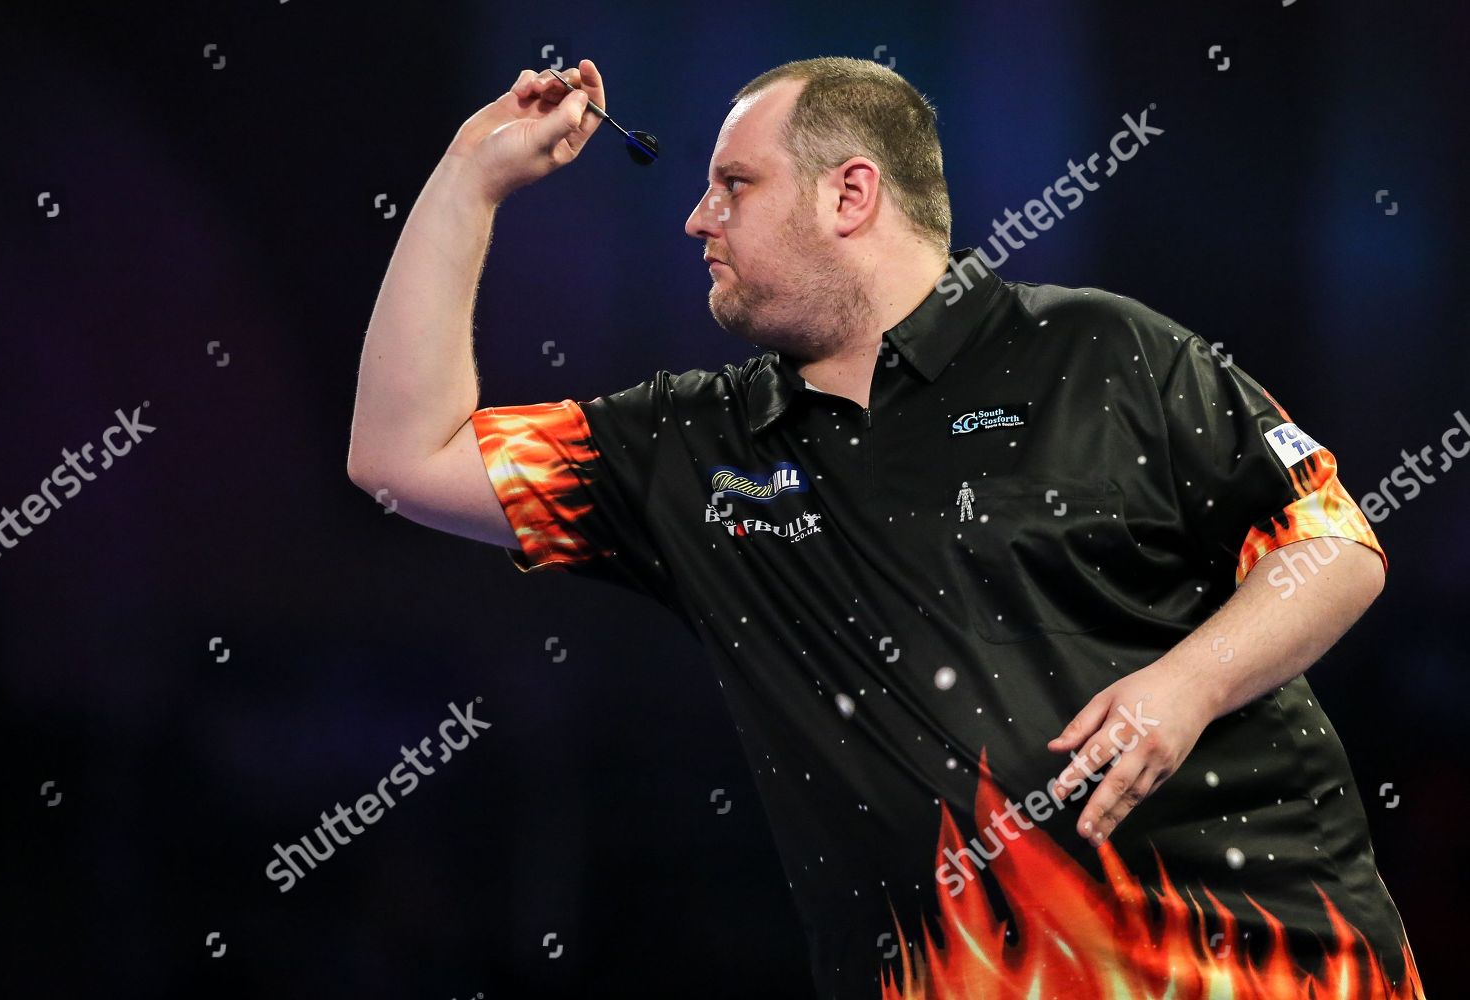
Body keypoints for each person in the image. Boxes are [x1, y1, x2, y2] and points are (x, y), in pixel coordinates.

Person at [347, 56, 1425, 1000]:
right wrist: (466, 179)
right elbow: (402, 457)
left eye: (734, 185)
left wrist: (1186, 683)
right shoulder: (694, 443)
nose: (697, 219)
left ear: (849, 193)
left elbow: (1332, 546)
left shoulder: (1105, 350)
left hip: (1274, 968)